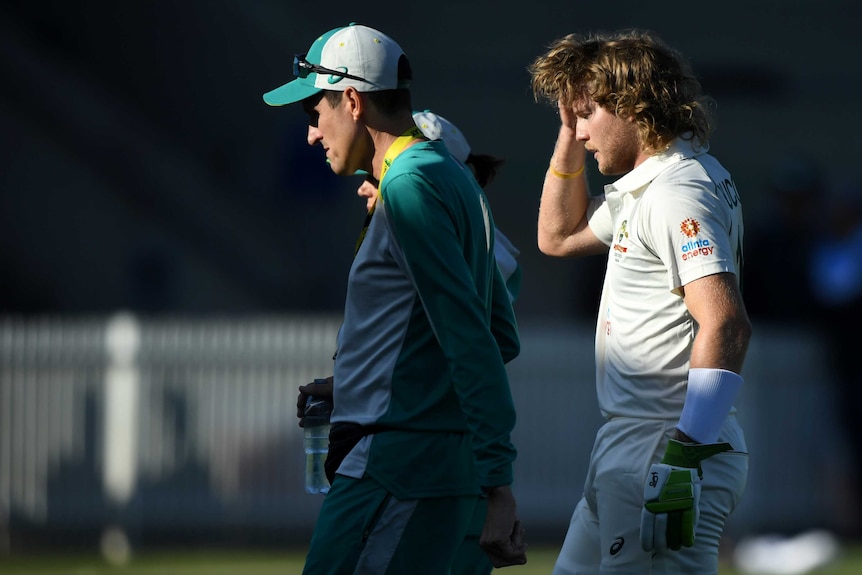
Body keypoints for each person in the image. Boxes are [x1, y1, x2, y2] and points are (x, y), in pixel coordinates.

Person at [262, 23, 527, 573]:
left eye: (315, 112)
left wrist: (499, 484)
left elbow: (470, 337)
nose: (312, 133)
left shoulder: (408, 185)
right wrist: (362, 382)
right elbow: (499, 331)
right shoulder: (453, 177)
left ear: (353, 101)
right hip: (429, 464)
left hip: (395, 466)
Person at [528, 30, 752, 574]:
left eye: (585, 114)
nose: (580, 132)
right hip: (632, 442)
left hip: (665, 444)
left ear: (632, 106)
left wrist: (683, 458)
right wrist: (564, 131)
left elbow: (725, 325)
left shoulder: (677, 191)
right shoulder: (648, 187)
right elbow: (556, 237)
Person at [353, 110, 522, 575]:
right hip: (461, 452)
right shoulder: (487, 243)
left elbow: (481, 344)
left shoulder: (472, 245)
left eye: (381, 168)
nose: (369, 184)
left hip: (435, 454)